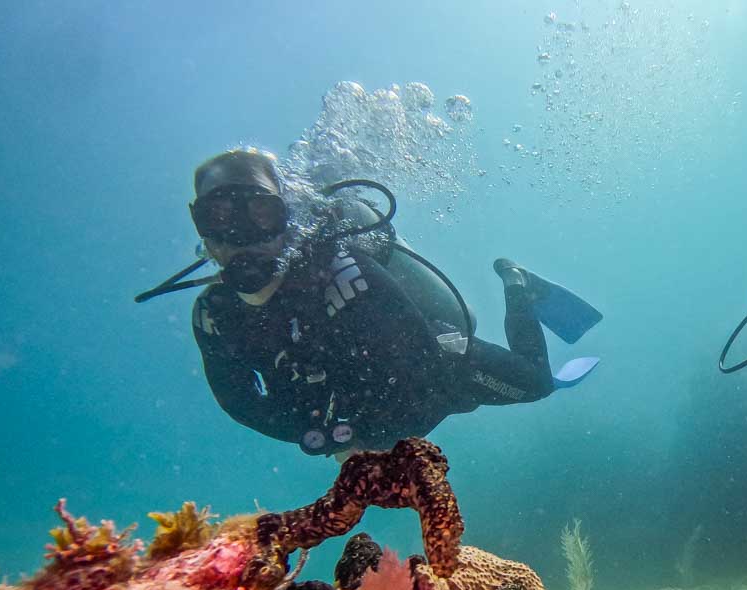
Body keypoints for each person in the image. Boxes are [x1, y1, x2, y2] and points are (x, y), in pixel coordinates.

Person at [182, 148, 601, 457]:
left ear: (285, 218)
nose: (239, 236)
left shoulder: (349, 275)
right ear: (200, 225)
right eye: (217, 217)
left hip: (441, 370)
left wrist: (365, 435)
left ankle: (518, 283)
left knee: (538, 385)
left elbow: (424, 375)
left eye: (259, 213)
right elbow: (240, 402)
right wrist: (312, 431)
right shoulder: (213, 315)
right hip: (363, 408)